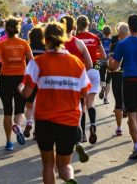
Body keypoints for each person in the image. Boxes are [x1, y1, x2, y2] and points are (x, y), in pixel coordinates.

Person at [19, 22, 91, 184]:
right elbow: (84, 93)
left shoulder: (38, 62)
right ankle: (69, 179)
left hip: (45, 121)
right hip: (70, 121)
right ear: (63, 39)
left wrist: (20, 87)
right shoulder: (77, 63)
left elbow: (27, 93)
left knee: (48, 165)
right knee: (65, 165)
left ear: (46, 39)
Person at [109, 14, 137, 159]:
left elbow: (115, 67)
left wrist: (111, 64)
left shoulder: (122, 44)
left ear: (129, 26)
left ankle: (136, 147)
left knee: (131, 116)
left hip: (129, 80)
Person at [0, 17, 34, 151]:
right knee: (20, 109)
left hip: (6, 79)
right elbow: (32, 62)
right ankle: (17, 126)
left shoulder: (1, 44)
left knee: (7, 111)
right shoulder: (24, 43)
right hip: (21, 79)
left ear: (5, 29)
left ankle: (9, 142)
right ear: (18, 29)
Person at [61, 15, 93, 163]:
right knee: (78, 112)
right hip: (77, 83)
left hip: (60, 84)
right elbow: (90, 64)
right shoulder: (79, 43)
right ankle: (78, 141)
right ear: (73, 28)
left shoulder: (56, 43)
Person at [76, 15, 106, 144]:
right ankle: (93, 124)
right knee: (90, 103)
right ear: (88, 24)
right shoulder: (95, 38)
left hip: (81, 72)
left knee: (81, 105)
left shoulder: (76, 39)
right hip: (94, 71)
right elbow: (104, 56)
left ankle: (82, 135)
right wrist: (95, 54)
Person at [23, 26, 46, 139]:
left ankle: (29, 122)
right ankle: (37, 130)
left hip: (30, 78)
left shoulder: (28, 47)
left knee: (29, 105)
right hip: (42, 79)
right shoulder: (45, 47)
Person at [109, 22, 129, 136]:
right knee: (131, 102)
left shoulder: (115, 42)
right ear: (128, 32)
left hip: (117, 74)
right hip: (130, 74)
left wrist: (110, 68)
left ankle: (119, 127)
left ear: (118, 32)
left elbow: (111, 60)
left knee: (118, 101)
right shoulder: (132, 42)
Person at [98, 25, 112, 104]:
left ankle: (102, 87)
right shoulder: (112, 41)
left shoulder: (100, 40)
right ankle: (106, 99)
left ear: (103, 32)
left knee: (102, 77)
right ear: (110, 32)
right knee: (108, 81)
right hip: (109, 61)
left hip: (102, 61)